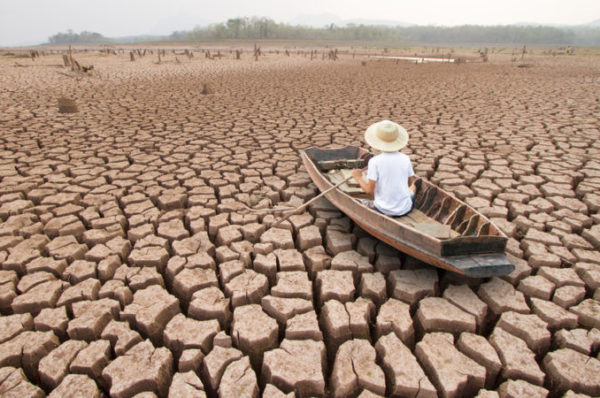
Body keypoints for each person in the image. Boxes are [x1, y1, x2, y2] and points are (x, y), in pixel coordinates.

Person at [351, 120, 416, 217]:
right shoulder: (405, 158)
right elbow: (409, 183)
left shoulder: (375, 161)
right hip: (405, 209)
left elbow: (369, 191)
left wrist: (358, 177)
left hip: (383, 210)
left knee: (365, 199)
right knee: (413, 187)